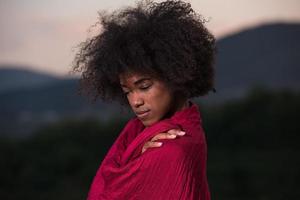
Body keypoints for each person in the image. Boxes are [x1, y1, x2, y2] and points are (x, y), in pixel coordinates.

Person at [73, 0, 216, 199]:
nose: (135, 101)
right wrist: (138, 155)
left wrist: (145, 161)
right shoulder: (147, 134)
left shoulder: (169, 149)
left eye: (144, 87)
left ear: (175, 76)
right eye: (127, 91)